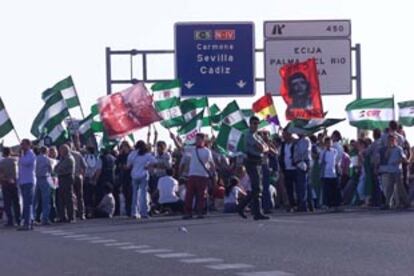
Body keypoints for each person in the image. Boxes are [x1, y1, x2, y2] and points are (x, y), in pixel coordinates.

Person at [238, 116, 270, 220]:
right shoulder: (249, 135)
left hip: (258, 162)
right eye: (254, 123)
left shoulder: (257, 136)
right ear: (250, 124)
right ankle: (257, 212)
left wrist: (263, 147)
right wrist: (262, 148)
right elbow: (261, 148)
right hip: (251, 161)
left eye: (257, 123)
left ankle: (242, 207)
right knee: (256, 187)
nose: (256, 125)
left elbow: (266, 148)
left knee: (257, 188)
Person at [183, 133, 216, 219]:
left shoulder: (207, 151)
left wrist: (213, 173)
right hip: (192, 174)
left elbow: (211, 163)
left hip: (202, 175)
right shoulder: (192, 149)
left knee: (201, 195)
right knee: (189, 195)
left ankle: (200, 212)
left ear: (203, 140)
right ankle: (188, 213)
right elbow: (181, 147)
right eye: (196, 139)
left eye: (198, 139)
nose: (196, 141)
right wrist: (174, 139)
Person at [377, 133, 409, 209]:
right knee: (389, 188)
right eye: (389, 140)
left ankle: (406, 202)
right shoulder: (386, 149)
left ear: (395, 140)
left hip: (397, 171)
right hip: (390, 171)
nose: (390, 141)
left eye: (392, 139)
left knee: (400, 188)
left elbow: (404, 159)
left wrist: (398, 161)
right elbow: (384, 159)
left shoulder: (399, 149)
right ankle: (387, 204)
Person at [127, 140, 155, 219]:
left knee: (134, 195)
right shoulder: (147, 155)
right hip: (143, 175)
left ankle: (134, 213)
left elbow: (128, 165)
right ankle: (144, 213)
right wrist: (148, 166)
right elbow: (155, 162)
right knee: (143, 195)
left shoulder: (132, 154)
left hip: (134, 175)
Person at [17, 139, 36, 231]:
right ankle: (30, 221)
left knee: (28, 203)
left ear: (28, 145)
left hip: (29, 181)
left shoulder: (31, 155)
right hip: (23, 181)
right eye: (21, 144)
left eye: (23, 144)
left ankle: (27, 223)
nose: (21, 146)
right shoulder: (24, 155)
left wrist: (20, 156)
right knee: (27, 203)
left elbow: (26, 162)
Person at [54, 144, 76, 223]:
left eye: (61, 150)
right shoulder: (62, 159)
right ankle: (62, 216)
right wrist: (58, 169)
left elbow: (61, 168)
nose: (60, 152)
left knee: (68, 198)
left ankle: (71, 217)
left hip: (67, 178)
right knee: (61, 199)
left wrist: (58, 169)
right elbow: (56, 168)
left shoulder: (69, 159)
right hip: (61, 178)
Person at [0, 147, 21, 227]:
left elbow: (1, 174)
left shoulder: (2, 162)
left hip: (5, 183)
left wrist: (5, 179)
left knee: (7, 203)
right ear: (10, 152)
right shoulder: (15, 161)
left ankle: (10, 220)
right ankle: (18, 219)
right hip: (15, 182)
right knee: (16, 202)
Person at [319, 137, 341, 210]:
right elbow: (321, 162)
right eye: (327, 143)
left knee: (335, 190)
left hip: (333, 173)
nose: (329, 144)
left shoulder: (335, 151)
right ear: (325, 143)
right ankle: (326, 204)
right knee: (327, 190)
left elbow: (336, 162)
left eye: (330, 142)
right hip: (326, 174)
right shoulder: (323, 152)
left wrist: (338, 169)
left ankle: (335, 204)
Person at [293, 132, 312, 212]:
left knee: (303, 185)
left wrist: (300, 161)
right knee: (304, 184)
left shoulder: (305, 140)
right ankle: (308, 204)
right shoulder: (299, 141)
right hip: (300, 162)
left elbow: (304, 152)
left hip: (303, 162)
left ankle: (304, 205)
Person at [279, 129, 297, 211]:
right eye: (283, 134)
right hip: (286, 169)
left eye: (285, 134)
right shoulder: (282, 145)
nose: (284, 136)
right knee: (289, 188)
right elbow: (280, 157)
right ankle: (291, 204)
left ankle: (299, 204)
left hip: (295, 168)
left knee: (297, 188)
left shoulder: (295, 143)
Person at [35, 146, 53, 225]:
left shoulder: (36, 158)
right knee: (46, 200)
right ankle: (44, 218)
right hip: (45, 178)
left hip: (36, 179)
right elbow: (50, 169)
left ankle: (33, 217)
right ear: (46, 151)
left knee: (35, 200)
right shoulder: (47, 159)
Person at [115, 141, 133, 217]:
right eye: (122, 146)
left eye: (125, 146)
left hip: (131, 175)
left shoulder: (131, 155)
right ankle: (128, 211)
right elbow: (117, 164)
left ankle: (132, 210)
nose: (123, 148)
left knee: (131, 194)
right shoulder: (121, 156)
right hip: (124, 176)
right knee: (125, 193)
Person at [70, 144, 87, 220]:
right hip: (78, 176)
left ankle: (73, 214)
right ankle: (81, 214)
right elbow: (85, 166)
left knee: (71, 196)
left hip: (70, 177)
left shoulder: (65, 155)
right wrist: (82, 175)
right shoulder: (78, 154)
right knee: (80, 196)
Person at [84, 146, 100, 218]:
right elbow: (97, 169)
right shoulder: (97, 158)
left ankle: (89, 212)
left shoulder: (86, 157)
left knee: (87, 197)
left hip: (87, 179)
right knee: (92, 196)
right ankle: (91, 212)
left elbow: (84, 167)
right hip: (93, 179)